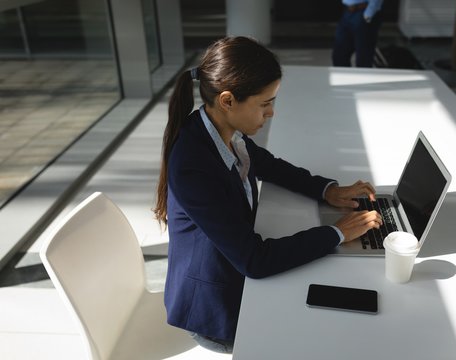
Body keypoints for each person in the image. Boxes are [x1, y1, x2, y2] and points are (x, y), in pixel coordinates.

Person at [154, 36, 382, 354]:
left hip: (237, 279)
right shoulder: (194, 166)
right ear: (228, 100)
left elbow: (267, 164)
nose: (271, 112)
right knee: (332, 336)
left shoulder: (219, 129)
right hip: (218, 313)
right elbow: (255, 261)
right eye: (265, 103)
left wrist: (327, 190)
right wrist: (337, 232)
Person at [332, 0, 384, 67]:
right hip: (347, 11)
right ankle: (344, 77)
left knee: (363, 59)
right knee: (339, 56)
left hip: (363, 11)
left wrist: (368, 14)